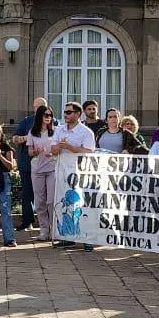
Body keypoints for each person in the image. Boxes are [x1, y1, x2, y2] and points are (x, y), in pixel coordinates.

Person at [52, 102, 97, 249]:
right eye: (65, 112)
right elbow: (52, 149)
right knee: (64, 205)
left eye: (69, 112)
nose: (66, 115)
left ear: (78, 114)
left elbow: (90, 152)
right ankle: (67, 236)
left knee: (82, 206)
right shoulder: (59, 130)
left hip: (80, 173)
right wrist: (58, 147)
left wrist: (71, 147)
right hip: (63, 172)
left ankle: (88, 239)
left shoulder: (86, 132)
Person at [12, 98, 48, 231]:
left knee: (45, 195)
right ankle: (27, 221)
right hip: (27, 163)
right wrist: (27, 138)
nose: (39, 109)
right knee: (27, 193)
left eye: (42, 106)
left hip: (46, 165)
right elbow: (14, 138)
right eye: (36, 107)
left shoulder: (52, 122)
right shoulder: (26, 121)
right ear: (33, 108)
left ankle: (46, 223)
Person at [26, 104, 57, 242]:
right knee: (39, 201)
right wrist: (36, 151)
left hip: (52, 168)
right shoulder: (32, 132)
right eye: (46, 115)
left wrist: (53, 153)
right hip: (37, 168)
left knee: (51, 200)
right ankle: (44, 230)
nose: (48, 118)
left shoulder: (56, 132)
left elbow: (59, 150)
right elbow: (30, 152)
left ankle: (53, 229)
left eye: (50, 115)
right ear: (40, 116)